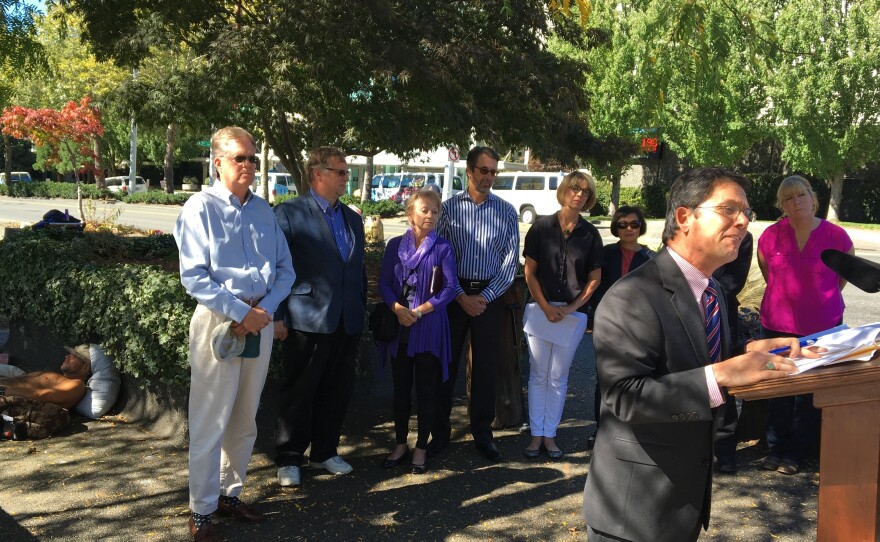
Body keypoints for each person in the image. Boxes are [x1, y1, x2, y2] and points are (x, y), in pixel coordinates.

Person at [582, 167, 820, 542]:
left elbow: (697, 355)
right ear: (684, 217)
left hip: (685, 503)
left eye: (747, 212)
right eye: (728, 209)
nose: (742, 221)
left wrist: (747, 351)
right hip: (633, 512)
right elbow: (625, 397)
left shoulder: (711, 291)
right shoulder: (633, 295)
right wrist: (724, 374)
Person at [174, 126, 296, 542]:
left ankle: (230, 493)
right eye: (239, 157)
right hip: (219, 321)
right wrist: (242, 312)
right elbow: (193, 277)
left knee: (245, 418)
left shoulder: (264, 210)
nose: (247, 165)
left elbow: (286, 270)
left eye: (252, 158)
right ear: (218, 162)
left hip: (258, 321)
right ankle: (202, 511)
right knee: (210, 420)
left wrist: (262, 311)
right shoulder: (199, 208)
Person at [273, 147, 367, 486]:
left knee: (337, 389)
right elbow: (275, 269)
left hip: (346, 320)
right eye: (340, 171)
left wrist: (359, 309)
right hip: (304, 318)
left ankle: (325, 451)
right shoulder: (289, 213)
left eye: (347, 171)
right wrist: (277, 315)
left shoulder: (352, 218)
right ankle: (289, 457)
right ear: (317, 174)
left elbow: (355, 271)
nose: (346, 177)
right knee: (300, 390)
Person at [757, 175, 854, 475]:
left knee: (809, 392)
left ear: (814, 199)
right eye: (788, 198)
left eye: (801, 195)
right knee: (777, 386)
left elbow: (842, 280)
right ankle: (774, 448)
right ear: (781, 204)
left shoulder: (837, 238)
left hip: (822, 329)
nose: (796, 202)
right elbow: (767, 273)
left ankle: (796, 453)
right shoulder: (770, 236)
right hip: (776, 329)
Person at [431, 146, 519, 462]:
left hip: (489, 298)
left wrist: (484, 297)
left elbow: (510, 263)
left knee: (485, 369)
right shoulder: (449, 209)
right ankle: (438, 434)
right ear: (469, 171)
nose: (489, 177)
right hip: (453, 297)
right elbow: (438, 258)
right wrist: (459, 296)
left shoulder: (507, 212)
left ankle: (482, 434)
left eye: (494, 171)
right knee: (446, 365)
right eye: (484, 170)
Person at [522, 171, 602, 459]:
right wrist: (545, 306)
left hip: (572, 315)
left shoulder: (590, 234)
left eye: (586, 192)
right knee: (538, 375)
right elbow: (529, 272)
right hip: (538, 310)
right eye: (575, 188)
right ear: (565, 190)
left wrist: (569, 308)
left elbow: (594, 279)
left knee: (558, 377)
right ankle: (535, 435)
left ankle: (550, 435)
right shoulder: (541, 227)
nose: (579, 194)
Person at [377, 189, 458, 474]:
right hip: (400, 328)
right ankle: (400, 443)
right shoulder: (394, 245)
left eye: (435, 211)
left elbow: (450, 288)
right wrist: (398, 308)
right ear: (411, 213)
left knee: (426, 391)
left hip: (428, 328)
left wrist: (421, 310)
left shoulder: (443, 248)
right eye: (424, 210)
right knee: (400, 390)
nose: (430, 216)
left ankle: (421, 446)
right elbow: (384, 283)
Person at [586, 205, 656, 449]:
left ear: (641, 226)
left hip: (639, 329)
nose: (628, 229)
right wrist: (600, 310)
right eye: (623, 224)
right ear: (615, 227)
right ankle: (601, 428)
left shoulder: (651, 258)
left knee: (636, 379)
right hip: (609, 325)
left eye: (634, 224)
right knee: (604, 378)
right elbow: (593, 285)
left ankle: (630, 430)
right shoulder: (605, 254)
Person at [711, 231, 753, 474]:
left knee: (723, 377)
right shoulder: (694, 228)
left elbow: (733, 282)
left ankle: (725, 449)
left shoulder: (742, 237)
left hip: (722, 310)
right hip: (685, 306)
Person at [0, 345, 91, 409]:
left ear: (85, 367)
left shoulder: (77, 384)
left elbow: (42, 395)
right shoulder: (63, 379)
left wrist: (2, 391)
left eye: (74, 356)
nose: (67, 356)